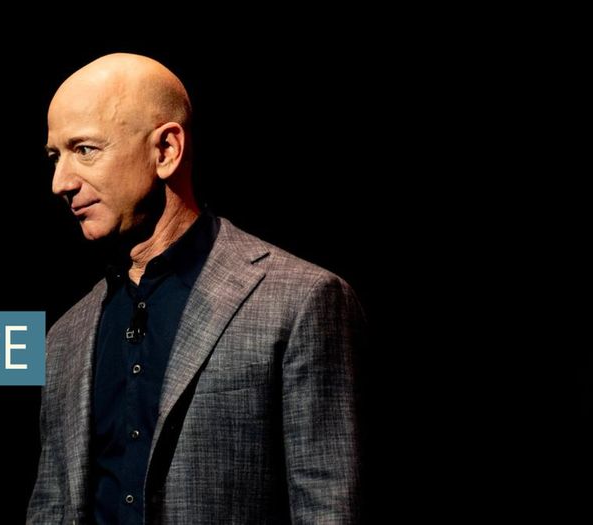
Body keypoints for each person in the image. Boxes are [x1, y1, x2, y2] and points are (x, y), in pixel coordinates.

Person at [28, 53, 366, 524]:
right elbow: (51, 507)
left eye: (84, 149)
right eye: (54, 157)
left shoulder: (300, 301)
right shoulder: (64, 339)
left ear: (166, 150)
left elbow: (330, 507)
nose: (60, 182)